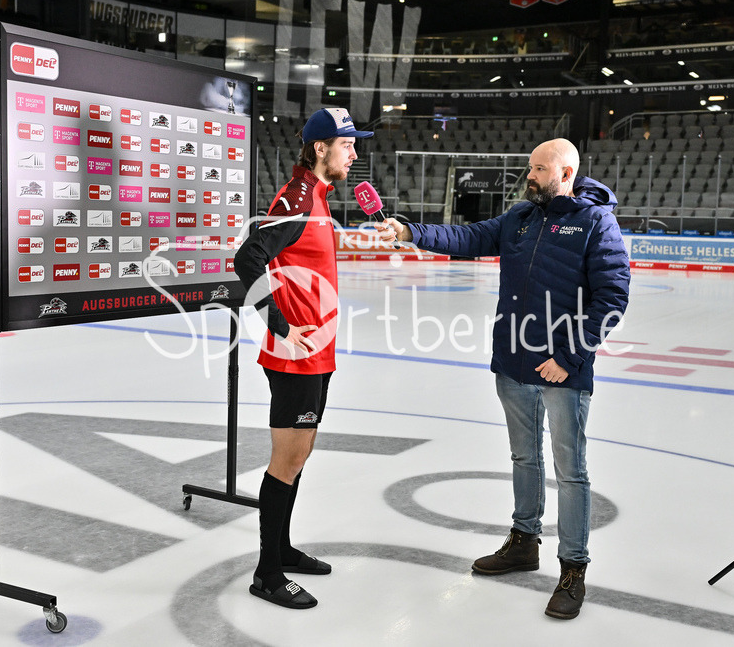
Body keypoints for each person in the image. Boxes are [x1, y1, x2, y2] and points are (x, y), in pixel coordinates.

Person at [382, 138, 630, 620]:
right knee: (523, 457)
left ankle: (573, 568)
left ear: (567, 172)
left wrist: (569, 357)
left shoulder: (595, 222)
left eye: (540, 169)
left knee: (570, 471)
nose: (530, 175)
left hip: (563, 370)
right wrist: (410, 231)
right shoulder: (520, 217)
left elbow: (612, 297)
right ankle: (523, 541)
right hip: (514, 363)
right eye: (530, 167)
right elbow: (469, 237)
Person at [233, 108, 373, 609]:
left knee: (301, 454)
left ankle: (283, 549)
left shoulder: (315, 195)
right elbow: (246, 258)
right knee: (287, 459)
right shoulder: (295, 199)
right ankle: (267, 574)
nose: (355, 154)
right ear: (320, 148)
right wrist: (279, 323)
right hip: (294, 356)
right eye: (348, 145)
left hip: (318, 353)